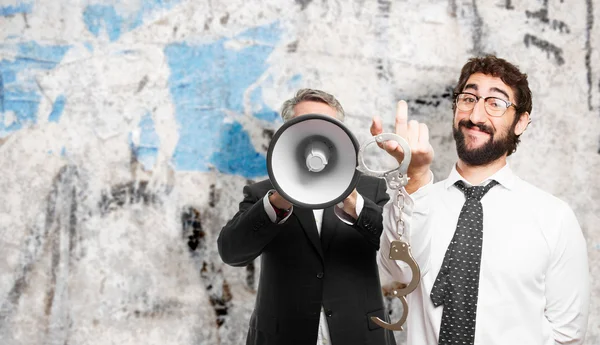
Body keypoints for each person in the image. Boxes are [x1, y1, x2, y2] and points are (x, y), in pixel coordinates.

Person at [372, 55, 590, 345]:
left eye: (495, 103)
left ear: (521, 122)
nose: (475, 116)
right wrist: (414, 176)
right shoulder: (416, 199)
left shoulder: (554, 217)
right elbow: (396, 271)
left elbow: (568, 334)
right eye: (468, 99)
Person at [218, 89, 395, 345]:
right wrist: (276, 202)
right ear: (289, 135)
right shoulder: (261, 193)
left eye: (326, 128)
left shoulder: (371, 190)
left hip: (360, 335)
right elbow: (231, 252)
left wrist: (355, 204)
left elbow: (396, 248)